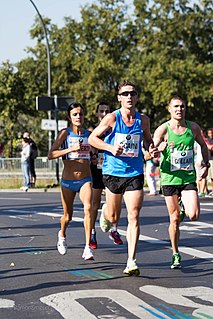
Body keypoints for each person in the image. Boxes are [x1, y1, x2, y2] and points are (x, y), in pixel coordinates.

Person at [88, 80, 158, 275]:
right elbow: (92, 138)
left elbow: (147, 139)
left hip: (134, 173)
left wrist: (151, 148)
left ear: (137, 97)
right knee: (113, 216)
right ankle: (105, 213)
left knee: (134, 215)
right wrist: (110, 148)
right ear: (119, 98)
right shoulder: (112, 118)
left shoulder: (143, 120)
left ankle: (131, 261)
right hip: (112, 173)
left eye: (132, 93)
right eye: (125, 93)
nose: (129, 97)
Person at [153, 95, 210, 269]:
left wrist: (206, 164)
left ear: (186, 108)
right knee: (175, 219)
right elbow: (150, 153)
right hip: (169, 179)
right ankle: (175, 253)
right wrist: (157, 151)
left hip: (187, 177)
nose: (179, 109)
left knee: (193, 215)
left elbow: (203, 145)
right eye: (176, 106)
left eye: (182, 106)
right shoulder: (163, 130)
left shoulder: (192, 128)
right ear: (169, 109)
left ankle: (183, 206)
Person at [48, 102, 94, 261]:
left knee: (88, 208)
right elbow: (51, 154)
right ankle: (62, 234)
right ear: (69, 117)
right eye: (75, 114)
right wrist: (70, 149)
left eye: (80, 114)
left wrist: (93, 156)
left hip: (85, 179)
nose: (78, 117)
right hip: (68, 181)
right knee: (68, 217)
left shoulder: (89, 133)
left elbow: (94, 153)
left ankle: (87, 247)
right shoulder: (65, 134)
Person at [90, 102, 123, 249]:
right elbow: (90, 146)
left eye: (107, 111)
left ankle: (114, 229)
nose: (104, 114)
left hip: (113, 169)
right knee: (95, 203)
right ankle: (91, 232)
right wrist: (93, 156)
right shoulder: (94, 131)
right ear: (96, 114)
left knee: (116, 203)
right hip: (97, 169)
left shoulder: (115, 128)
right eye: (101, 111)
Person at [206, 128, 213, 196]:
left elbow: (211, 148)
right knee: (210, 176)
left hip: (212, 159)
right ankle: (207, 190)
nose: (210, 135)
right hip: (209, 159)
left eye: (211, 133)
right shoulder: (207, 140)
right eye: (209, 133)